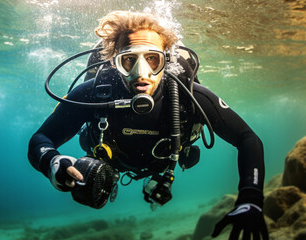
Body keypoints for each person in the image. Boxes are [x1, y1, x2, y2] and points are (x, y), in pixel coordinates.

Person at [28, 11, 268, 240]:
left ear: (166, 60)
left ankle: (158, 180)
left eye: (152, 59)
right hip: (112, 158)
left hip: (164, 160)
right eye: (129, 60)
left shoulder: (188, 95)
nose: (141, 74)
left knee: (187, 156)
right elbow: (41, 139)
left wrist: (250, 197)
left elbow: (247, 138)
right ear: (115, 61)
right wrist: (52, 162)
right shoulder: (93, 93)